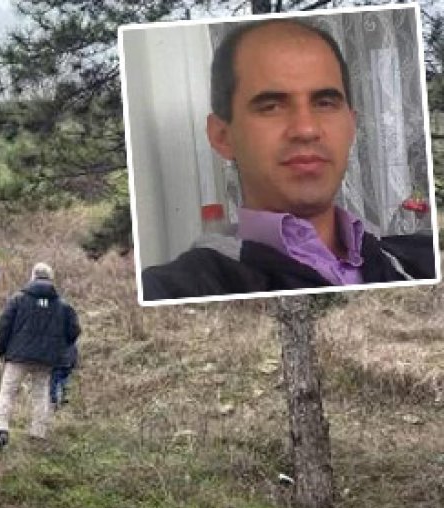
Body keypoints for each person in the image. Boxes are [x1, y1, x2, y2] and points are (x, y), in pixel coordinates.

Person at [141, 18, 437, 301]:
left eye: (324, 103)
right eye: (271, 106)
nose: (306, 129)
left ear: (351, 126)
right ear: (222, 137)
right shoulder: (175, 290)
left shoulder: (422, 259)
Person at [0, 263, 80, 452]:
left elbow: (3, 326)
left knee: (7, 391)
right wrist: (58, 347)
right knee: (41, 394)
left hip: (17, 356)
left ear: (32, 276)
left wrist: (0, 349)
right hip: (46, 359)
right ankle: (38, 433)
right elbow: (74, 331)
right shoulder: (63, 305)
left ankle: (1, 429)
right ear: (51, 278)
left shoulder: (18, 299)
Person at [50, 341, 78, 410]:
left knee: (54, 383)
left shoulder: (56, 341)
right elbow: (75, 354)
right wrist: (73, 365)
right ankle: (65, 399)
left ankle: (54, 401)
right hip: (68, 365)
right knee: (65, 382)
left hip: (57, 366)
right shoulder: (72, 342)